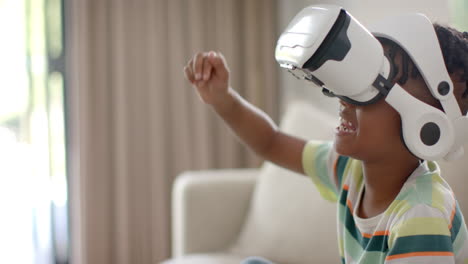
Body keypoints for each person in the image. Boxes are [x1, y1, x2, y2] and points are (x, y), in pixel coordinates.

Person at [183, 23, 468, 264]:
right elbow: (271, 143)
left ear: (425, 126)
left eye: (368, 90)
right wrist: (223, 99)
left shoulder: (420, 214)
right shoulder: (351, 170)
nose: (344, 99)